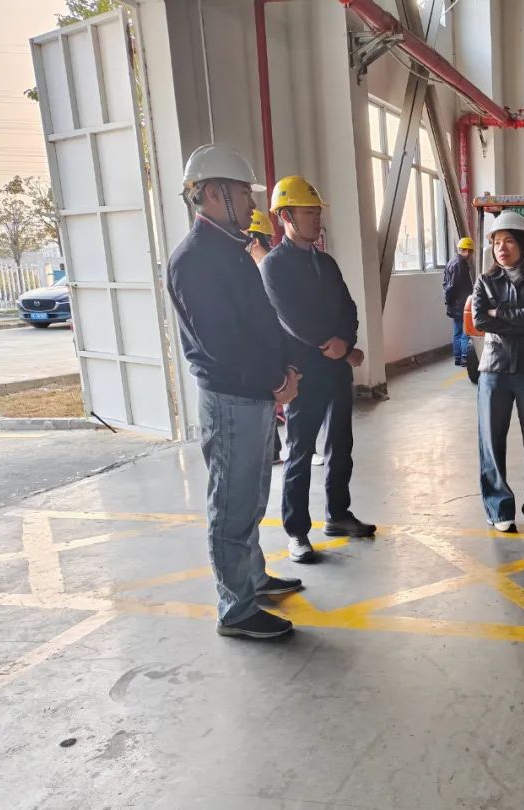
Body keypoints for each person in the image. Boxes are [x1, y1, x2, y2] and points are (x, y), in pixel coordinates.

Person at [167, 144, 303, 640]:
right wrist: (275, 381)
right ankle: (236, 608)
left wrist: (286, 369)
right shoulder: (194, 260)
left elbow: (261, 322)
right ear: (213, 193)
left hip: (255, 395)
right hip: (231, 399)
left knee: (251, 496)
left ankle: (253, 579)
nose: (252, 203)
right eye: (244, 193)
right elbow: (222, 342)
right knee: (232, 504)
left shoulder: (230, 251)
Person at [260, 176, 376, 563]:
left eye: (317, 212)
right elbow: (293, 319)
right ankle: (296, 532)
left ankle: (338, 515)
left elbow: (349, 308)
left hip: (335, 369)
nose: (316, 219)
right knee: (300, 451)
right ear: (286, 216)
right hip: (303, 373)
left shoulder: (325, 263)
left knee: (340, 445)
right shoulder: (274, 266)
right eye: (308, 213)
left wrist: (346, 343)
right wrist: (334, 346)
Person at [471, 210, 524, 533]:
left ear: (523, 244)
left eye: (508, 241)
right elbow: (480, 320)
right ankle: (499, 509)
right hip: (494, 371)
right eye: (496, 242)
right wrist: (516, 316)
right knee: (491, 443)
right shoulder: (485, 281)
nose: (501, 248)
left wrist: (499, 313)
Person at [243, 210, 285, 465]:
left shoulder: (266, 269)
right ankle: (273, 450)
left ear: (255, 241)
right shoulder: (270, 265)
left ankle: (274, 451)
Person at [443, 237, 475, 366]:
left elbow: (446, 285)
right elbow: (454, 286)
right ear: (466, 250)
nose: (471, 255)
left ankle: (457, 357)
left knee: (457, 332)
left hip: (454, 304)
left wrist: (448, 301)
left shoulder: (451, 262)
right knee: (465, 332)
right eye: (470, 251)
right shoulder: (460, 264)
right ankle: (464, 358)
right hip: (461, 304)